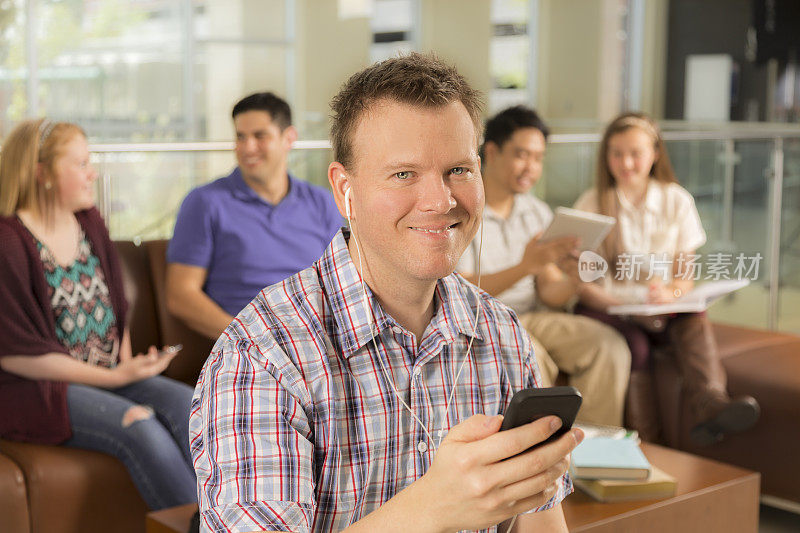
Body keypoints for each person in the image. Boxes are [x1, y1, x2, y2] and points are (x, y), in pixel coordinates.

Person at [190, 54, 583, 532]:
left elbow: (541, 524)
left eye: (459, 169)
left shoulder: (502, 335)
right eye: (404, 174)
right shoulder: (261, 354)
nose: (441, 201)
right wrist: (434, 507)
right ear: (344, 190)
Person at [0, 119, 196, 510]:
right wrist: (113, 377)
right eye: (80, 164)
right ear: (43, 174)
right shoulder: (8, 240)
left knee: (193, 407)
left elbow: (115, 305)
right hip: (39, 391)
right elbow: (15, 353)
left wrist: (128, 365)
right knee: (140, 426)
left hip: (106, 376)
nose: (93, 173)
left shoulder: (89, 220)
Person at [573, 112, 760, 445]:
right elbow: (582, 285)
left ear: (655, 154)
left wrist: (671, 294)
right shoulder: (591, 203)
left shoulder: (676, 200)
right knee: (637, 345)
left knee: (694, 318)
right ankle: (648, 442)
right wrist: (622, 305)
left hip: (659, 307)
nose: (625, 163)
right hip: (610, 309)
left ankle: (712, 407)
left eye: (636, 153)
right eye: (616, 153)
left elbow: (683, 279)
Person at [457, 106, 631, 427]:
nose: (531, 168)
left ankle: (596, 455)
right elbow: (462, 291)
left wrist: (575, 280)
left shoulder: (536, 212)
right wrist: (526, 266)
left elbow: (550, 291)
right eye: (522, 155)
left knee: (609, 347)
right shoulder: (462, 211)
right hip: (484, 320)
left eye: (538, 158)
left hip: (534, 317)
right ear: (492, 152)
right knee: (531, 357)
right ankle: (545, 458)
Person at [166, 92, 342, 339]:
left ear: (289, 138)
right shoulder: (204, 203)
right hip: (247, 348)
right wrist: (252, 339)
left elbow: (343, 283)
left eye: (260, 136)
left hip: (317, 341)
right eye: (241, 137)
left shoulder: (324, 203)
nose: (248, 147)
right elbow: (181, 296)